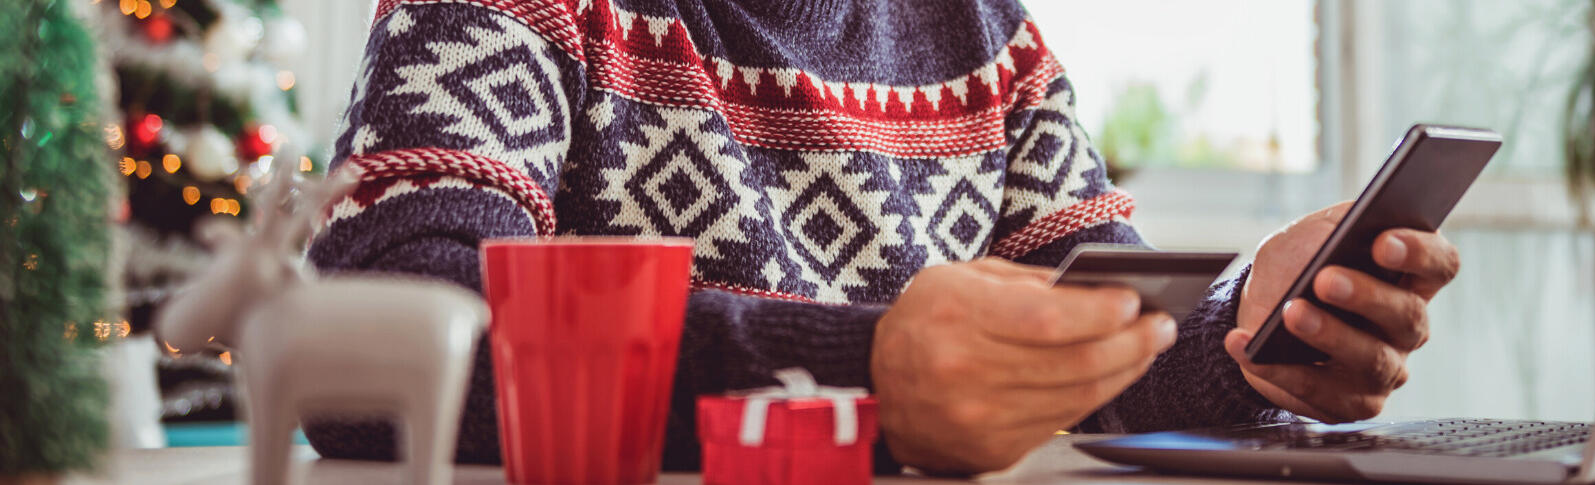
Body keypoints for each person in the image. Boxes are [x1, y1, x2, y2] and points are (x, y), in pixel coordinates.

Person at [305, 0, 1460, 475]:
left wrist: (1245, 340)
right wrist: (866, 383)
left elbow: (1086, 346)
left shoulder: (987, 33)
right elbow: (373, 348)